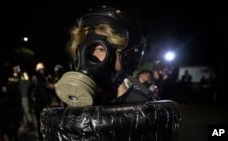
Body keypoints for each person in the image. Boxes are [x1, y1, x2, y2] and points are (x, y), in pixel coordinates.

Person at [41, 5, 180, 141]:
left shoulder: (144, 108)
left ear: (125, 56)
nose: (90, 58)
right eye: (85, 51)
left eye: (100, 49)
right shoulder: (80, 104)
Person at [0, 63, 23, 141]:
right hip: (0, 123)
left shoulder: (13, 88)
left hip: (9, 123)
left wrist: (17, 122)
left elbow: (17, 106)